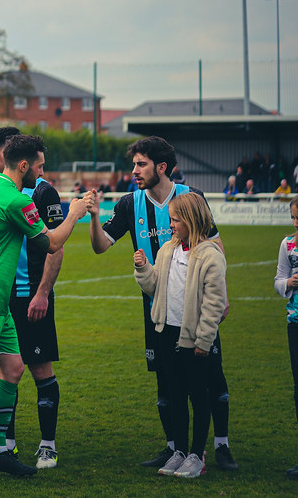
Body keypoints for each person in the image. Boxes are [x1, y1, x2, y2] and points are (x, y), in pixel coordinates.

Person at [0, 135, 92, 483]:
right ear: (23, 165)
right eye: (39, 165)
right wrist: (74, 213)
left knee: (12, 368)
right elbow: (52, 242)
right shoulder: (15, 199)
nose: (42, 171)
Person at [87, 136, 236, 471]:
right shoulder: (129, 204)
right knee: (166, 379)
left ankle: (221, 446)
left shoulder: (190, 197)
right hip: (156, 308)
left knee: (210, 374)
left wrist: (220, 295)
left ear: (162, 167)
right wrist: (95, 217)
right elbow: (100, 247)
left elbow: (215, 244)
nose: (135, 171)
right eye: (135, 164)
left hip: (196, 306)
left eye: (141, 164)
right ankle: (175, 449)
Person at [0, 127, 65, 469]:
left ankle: (48, 445)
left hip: (32, 295)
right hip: (2, 297)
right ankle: (5, 444)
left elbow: (55, 248)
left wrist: (42, 292)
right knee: (6, 370)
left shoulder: (43, 193)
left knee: (39, 367)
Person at [133, 192, 226, 478]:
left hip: (194, 339)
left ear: (191, 220)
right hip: (166, 334)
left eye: (175, 220)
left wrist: (204, 340)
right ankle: (180, 452)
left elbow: (214, 304)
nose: (170, 225)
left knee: (198, 396)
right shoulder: (167, 250)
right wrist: (143, 268)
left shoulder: (210, 255)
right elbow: (154, 288)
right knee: (174, 395)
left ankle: (197, 456)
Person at [275, 195, 298, 480]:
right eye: (293, 218)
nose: (296, 223)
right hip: (295, 324)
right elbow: (278, 280)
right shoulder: (287, 245)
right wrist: (289, 284)